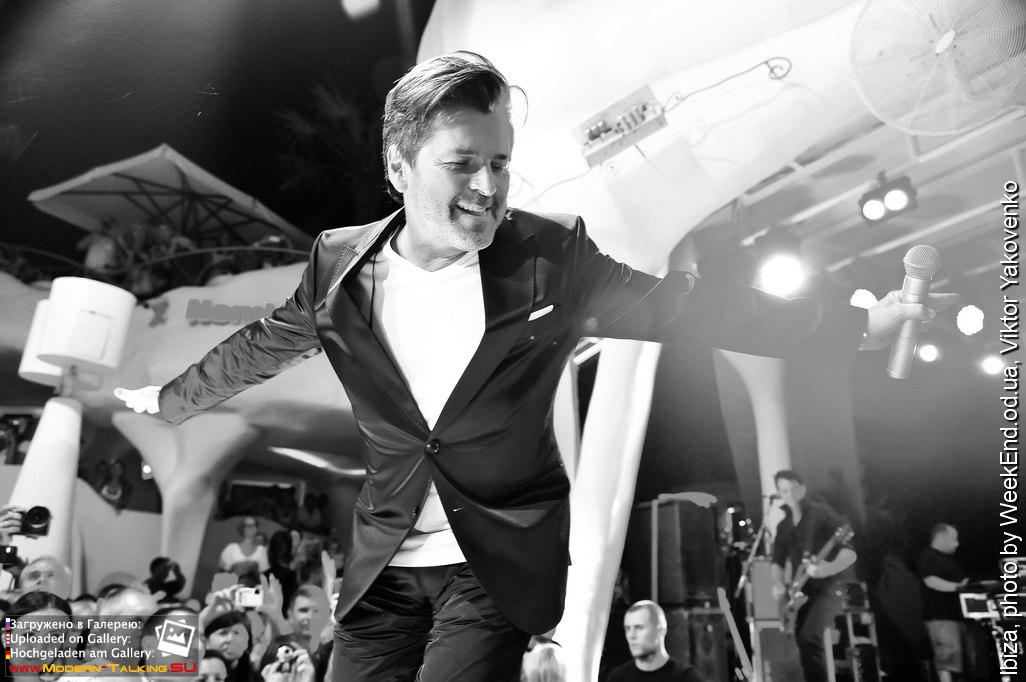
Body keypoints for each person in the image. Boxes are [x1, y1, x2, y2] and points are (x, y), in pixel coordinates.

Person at [114, 52, 954, 680]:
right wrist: (169, 398)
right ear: (398, 168)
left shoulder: (552, 260)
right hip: (385, 562)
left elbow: (686, 306)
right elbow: (265, 342)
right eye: (463, 163)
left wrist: (851, 324)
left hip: (495, 561)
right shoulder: (339, 264)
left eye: (501, 162)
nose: (489, 186)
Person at [770, 470, 856, 682]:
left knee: (810, 638)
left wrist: (828, 568)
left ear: (802, 488)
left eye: (792, 488)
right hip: (802, 591)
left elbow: (850, 553)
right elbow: (777, 561)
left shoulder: (821, 513)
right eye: (783, 490)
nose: (789, 494)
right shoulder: (784, 526)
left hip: (829, 589)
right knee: (801, 641)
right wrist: (778, 583)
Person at [916, 523, 969, 682]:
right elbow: (931, 581)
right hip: (941, 618)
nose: (957, 543)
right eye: (954, 539)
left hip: (958, 617)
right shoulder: (928, 557)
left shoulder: (951, 560)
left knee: (962, 663)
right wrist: (959, 587)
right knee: (947, 662)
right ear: (941, 536)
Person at [605, 601, 703, 681]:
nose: (631, 635)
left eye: (639, 628)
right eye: (628, 629)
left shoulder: (686, 677)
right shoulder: (617, 677)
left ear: (660, 630)